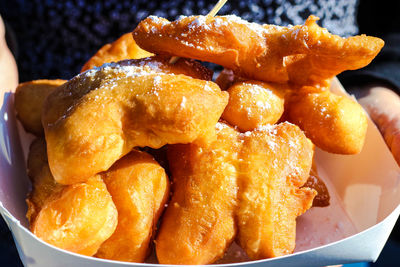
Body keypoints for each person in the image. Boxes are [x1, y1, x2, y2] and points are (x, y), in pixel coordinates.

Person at [0, 1, 399, 266]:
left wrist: (385, 87)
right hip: (65, 69)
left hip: (309, 73)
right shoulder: (191, 102)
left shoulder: (231, 111)